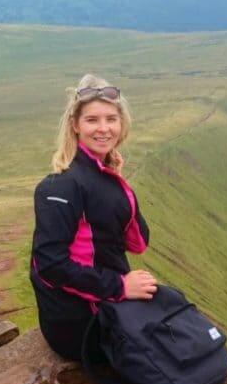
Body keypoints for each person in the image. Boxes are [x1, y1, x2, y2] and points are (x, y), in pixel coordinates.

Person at [30, 74, 158, 361]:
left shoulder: (101, 177)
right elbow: (50, 265)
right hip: (80, 324)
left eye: (111, 119)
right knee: (173, 354)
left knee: (176, 318)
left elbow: (138, 241)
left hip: (105, 301)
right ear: (75, 125)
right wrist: (121, 287)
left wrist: (117, 182)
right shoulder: (59, 187)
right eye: (92, 120)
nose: (104, 128)